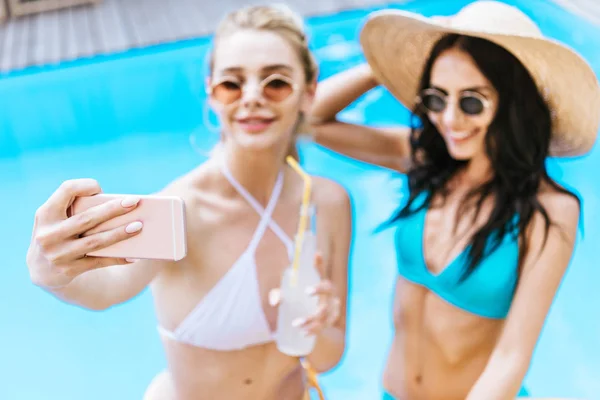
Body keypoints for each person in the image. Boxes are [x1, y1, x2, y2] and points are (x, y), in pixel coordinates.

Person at [25, 4, 351, 400]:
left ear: (309, 90)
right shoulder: (182, 208)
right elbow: (106, 290)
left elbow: (327, 356)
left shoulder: (327, 203)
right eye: (232, 84)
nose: (252, 98)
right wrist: (50, 272)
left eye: (276, 82)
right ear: (212, 92)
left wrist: (321, 323)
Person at [309, 1, 600, 399]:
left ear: (512, 103)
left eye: (471, 102)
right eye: (436, 98)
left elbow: (511, 357)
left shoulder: (550, 211)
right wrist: (384, 67)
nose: (449, 119)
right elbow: (307, 120)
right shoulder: (422, 161)